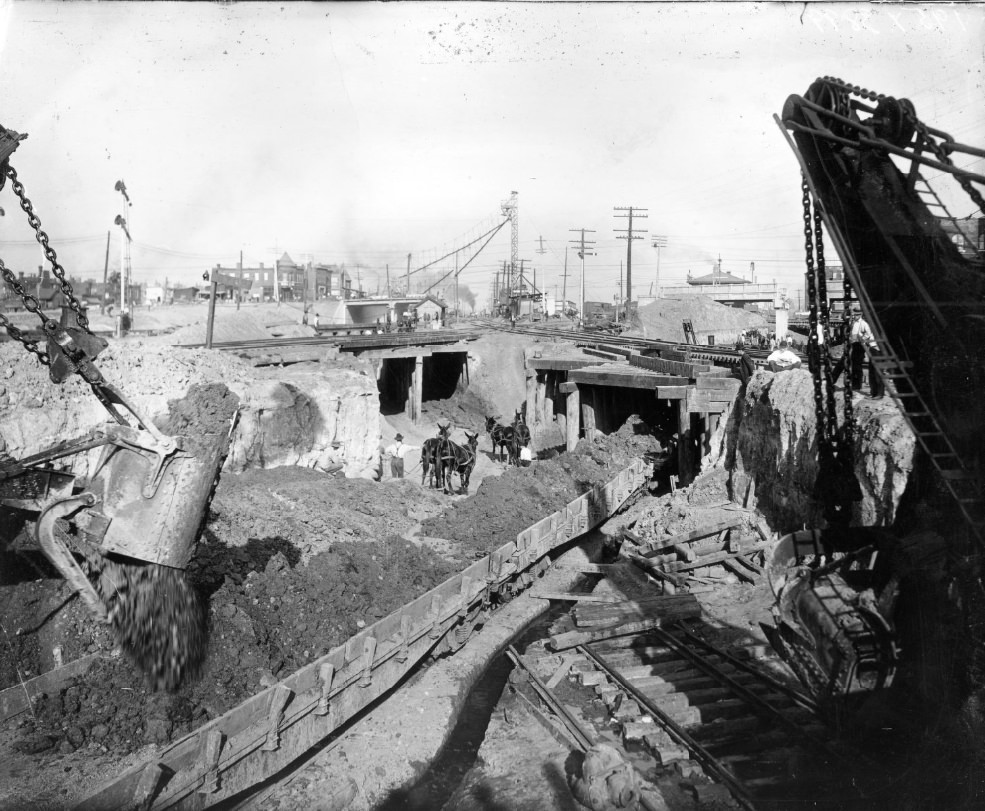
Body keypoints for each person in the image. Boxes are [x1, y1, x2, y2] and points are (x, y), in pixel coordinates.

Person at [832, 312, 884, 398]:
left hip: (872, 347)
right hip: (864, 346)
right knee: (870, 371)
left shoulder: (866, 324)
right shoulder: (856, 323)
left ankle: (878, 393)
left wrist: (862, 339)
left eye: (855, 315)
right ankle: (873, 392)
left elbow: (868, 335)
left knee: (875, 371)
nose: (853, 316)